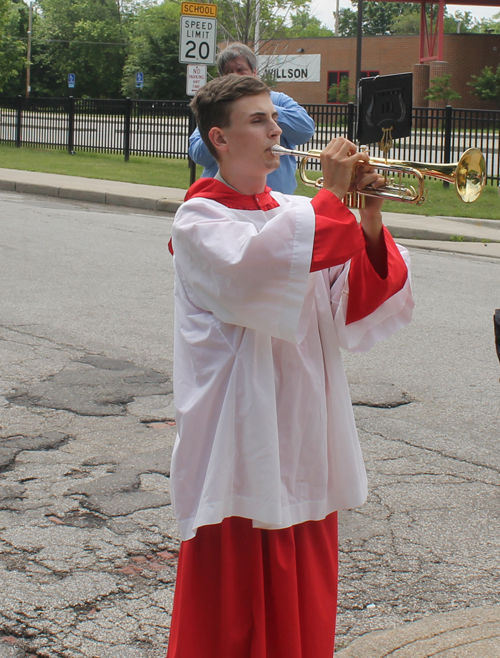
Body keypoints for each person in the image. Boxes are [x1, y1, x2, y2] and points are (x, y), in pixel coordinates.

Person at [167, 74, 414, 658]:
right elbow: (261, 269)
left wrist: (371, 218)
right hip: (239, 437)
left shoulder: (300, 210)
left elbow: (352, 298)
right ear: (220, 139)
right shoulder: (199, 222)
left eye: (273, 119)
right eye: (257, 120)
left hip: (304, 428)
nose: (276, 130)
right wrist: (333, 197)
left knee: (303, 591)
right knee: (234, 608)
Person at [188, 42, 315, 194]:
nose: (235, 76)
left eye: (241, 70)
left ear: (254, 72)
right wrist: (225, 123)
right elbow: (198, 155)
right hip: (224, 199)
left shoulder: (279, 100)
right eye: (228, 72)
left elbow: (305, 130)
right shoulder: (215, 108)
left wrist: (261, 108)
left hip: (276, 202)